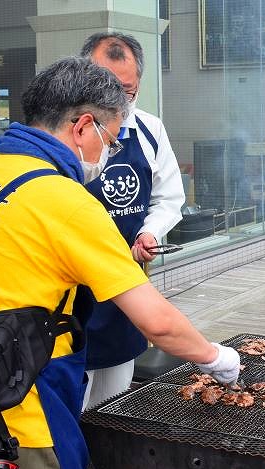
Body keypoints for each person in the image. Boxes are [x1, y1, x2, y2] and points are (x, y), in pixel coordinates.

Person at [0, 57, 240, 469]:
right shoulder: (63, 201)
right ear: (83, 126)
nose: (109, 152)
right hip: (13, 429)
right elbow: (156, 322)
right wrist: (217, 359)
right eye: (111, 139)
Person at [76, 32, 186, 408]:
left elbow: (169, 198)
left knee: (116, 401)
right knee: (73, 401)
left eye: (127, 91)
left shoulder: (150, 130)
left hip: (127, 282)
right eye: (106, 91)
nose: (118, 105)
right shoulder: (63, 135)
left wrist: (149, 232)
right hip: (73, 290)